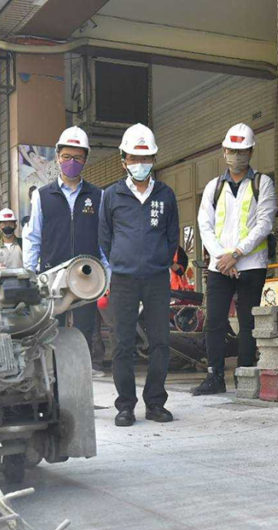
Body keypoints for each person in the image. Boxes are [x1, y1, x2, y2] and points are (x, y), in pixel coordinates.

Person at [98, 123, 179, 427]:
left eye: (145, 158)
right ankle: (125, 406)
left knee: (160, 341)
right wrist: (122, 260)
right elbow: (105, 238)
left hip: (158, 279)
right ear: (123, 160)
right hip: (124, 279)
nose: (139, 164)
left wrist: (158, 260)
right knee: (122, 343)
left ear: (154, 160)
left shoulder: (166, 195)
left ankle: (155, 403)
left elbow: (173, 238)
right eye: (133, 158)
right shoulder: (111, 195)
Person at [192, 123, 278, 395]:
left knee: (248, 322)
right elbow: (204, 225)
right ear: (224, 151)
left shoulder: (262, 183)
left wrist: (236, 254)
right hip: (220, 266)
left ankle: (246, 376)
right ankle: (214, 377)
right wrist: (222, 258)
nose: (236, 156)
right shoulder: (212, 187)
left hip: (250, 265)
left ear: (251, 152)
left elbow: (264, 224)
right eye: (232, 150)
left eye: (242, 151)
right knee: (214, 322)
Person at [24, 126, 105, 366]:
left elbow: (103, 239)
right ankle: (53, 378)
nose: (71, 162)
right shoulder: (42, 195)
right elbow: (33, 238)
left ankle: (81, 378)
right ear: (57, 157)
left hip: (86, 276)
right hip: (52, 278)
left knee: (84, 332)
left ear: (85, 160)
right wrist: (31, 275)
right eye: (67, 156)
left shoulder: (97, 196)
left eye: (77, 158)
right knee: (51, 332)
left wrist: (106, 275)